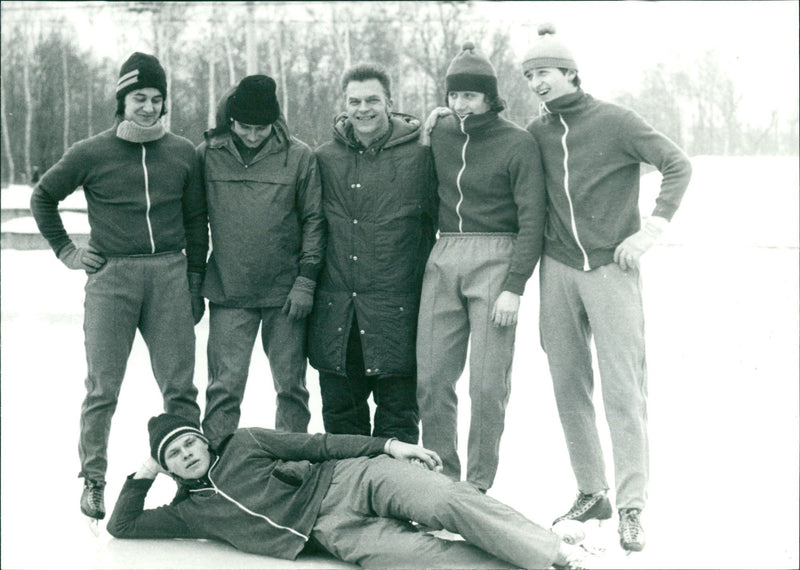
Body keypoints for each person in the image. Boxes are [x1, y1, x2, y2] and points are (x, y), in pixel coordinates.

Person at [521, 24, 692, 552]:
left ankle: (632, 506)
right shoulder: (537, 132)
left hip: (612, 267)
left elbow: (677, 165)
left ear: (569, 72)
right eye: (529, 76)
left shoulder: (615, 121)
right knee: (567, 383)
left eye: (543, 72)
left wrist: (649, 232)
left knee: (623, 388)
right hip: (558, 268)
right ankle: (592, 492)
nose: (536, 83)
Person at [29, 52, 208, 522]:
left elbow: (195, 221)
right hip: (113, 280)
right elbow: (43, 196)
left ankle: (192, 483)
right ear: (122, 100)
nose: (148, 107)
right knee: (103, 387)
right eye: (139, 98)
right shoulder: (92, 152)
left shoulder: (183, 151)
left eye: (156, 98)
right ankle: (93, 479)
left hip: (169, 274)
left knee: (180, 388)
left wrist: (193, 281)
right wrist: (68, 252)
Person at [107, 413, 592, 569]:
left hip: (351, 478)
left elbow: (320, 444)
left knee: (445, 501)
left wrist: (390, 445)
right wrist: (144, 467)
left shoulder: (246, 442)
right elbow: (122, 525)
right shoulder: (189, 512)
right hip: (333, 533)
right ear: (168, 469)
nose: (187, 454)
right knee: (428, 559)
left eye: (190, 442)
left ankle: (553, 553)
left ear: (205, 440)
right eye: (174, 454)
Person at [416, 42, 546, 493]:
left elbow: (533, 219)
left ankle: (477, 486)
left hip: (498, 257)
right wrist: (435, 117)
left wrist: (515, 286)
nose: (460, 104)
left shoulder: (518, 142)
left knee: (488, 385)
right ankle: (441, 480)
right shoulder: (441, 132)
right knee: (431, 378)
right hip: (445, 252)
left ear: (490, 97)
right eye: (453, 95)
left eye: (470, 96)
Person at [309, 63, 437, 444]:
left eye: (372, 100)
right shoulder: (324, 158)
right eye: (354, 101)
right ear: (344, 104)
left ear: (390, 103)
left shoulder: (421, 156)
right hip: (337, 318)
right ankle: (348, 502)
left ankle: (395, 502)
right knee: (343, 429)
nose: (363, 109)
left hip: (397, 316)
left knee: (397, 426)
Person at [197, 74, 323, 448]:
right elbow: (193, 223)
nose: (253, 135)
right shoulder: (208, 156)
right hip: (228, 291)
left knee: (291, 386)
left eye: (261, 128)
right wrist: (192, 283)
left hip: (284, 296)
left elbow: (314, 221)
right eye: (245, 127)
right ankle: (214, 471)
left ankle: (292, 465)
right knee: (223, 387)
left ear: (275, 122)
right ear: (230, 120)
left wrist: (306, 281)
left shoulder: (299, 157)